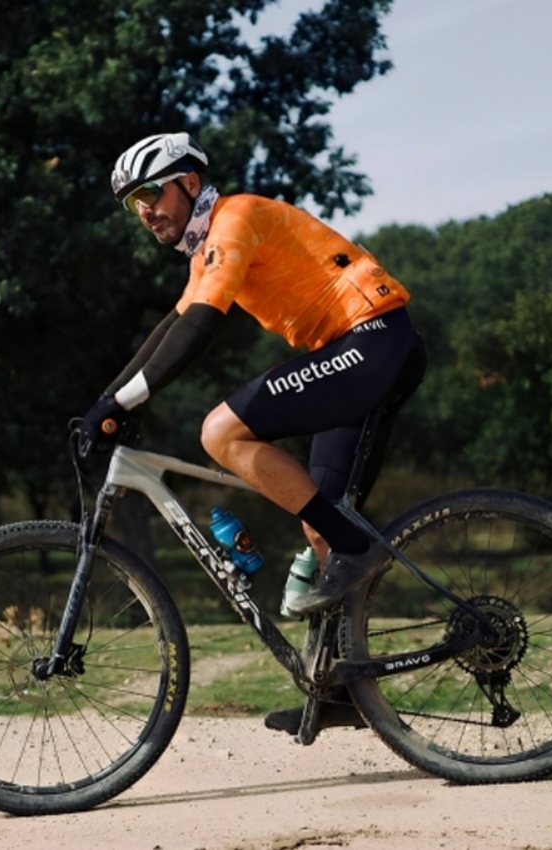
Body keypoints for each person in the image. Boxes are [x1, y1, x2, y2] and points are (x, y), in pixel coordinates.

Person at [82, 131, 426, 731]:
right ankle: (347, 690)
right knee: (319, 518)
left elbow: (198, 330)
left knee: (221, 432)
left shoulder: (234, 217)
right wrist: (105, 402)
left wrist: (123, 402)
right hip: (365, 347)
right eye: (130, 203)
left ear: (189, 184)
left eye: (149, 193)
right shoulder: (207, 250)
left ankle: (355, 550)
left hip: (370, 339)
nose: (143, 211)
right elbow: (172, 326)